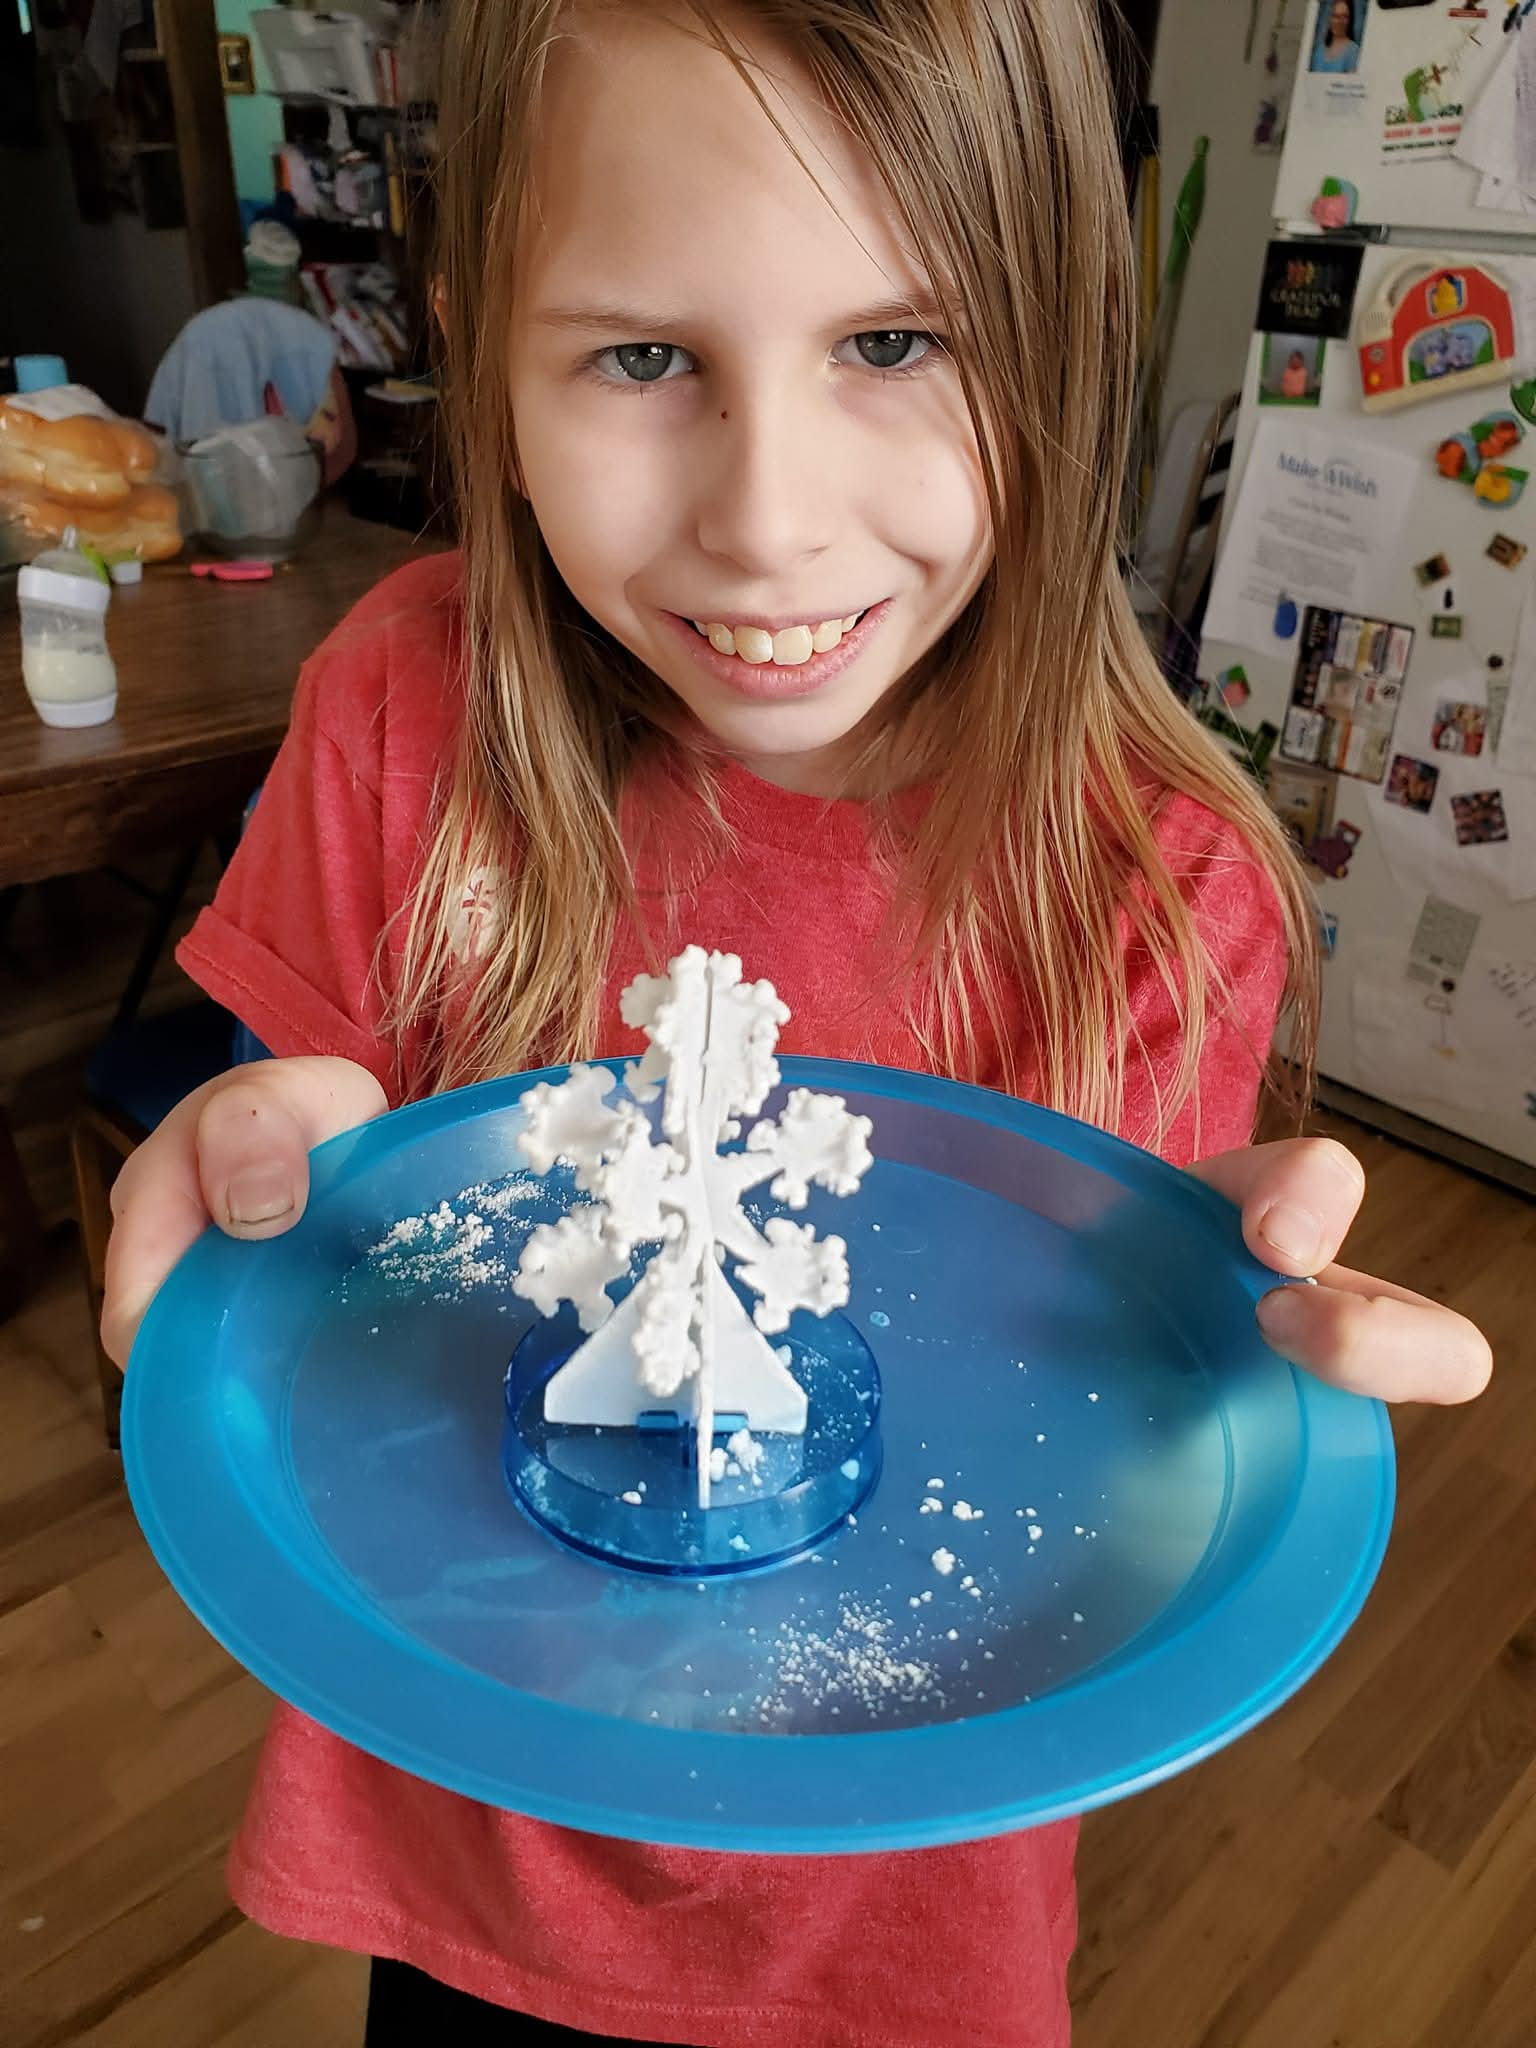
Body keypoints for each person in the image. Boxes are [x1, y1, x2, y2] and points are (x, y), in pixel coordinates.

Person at [101, 4, 1492, 2044]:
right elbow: (296, 1230)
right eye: (641, 358)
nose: (766, 518)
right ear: (484, 354)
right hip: (469, 1849)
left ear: (1064, 346)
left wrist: (1245, 1391)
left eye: (895, 342)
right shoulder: (402, 710)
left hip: (891, 1941)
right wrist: (248, 1212)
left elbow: (1081, 1466)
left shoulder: (1158, 880)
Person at [1312, 0, 1361, 74]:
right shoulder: (1318, 50)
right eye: (1335, 16)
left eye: (1344, 16)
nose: (1339, 22)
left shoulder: (1354, 51)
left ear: (1350, 19)